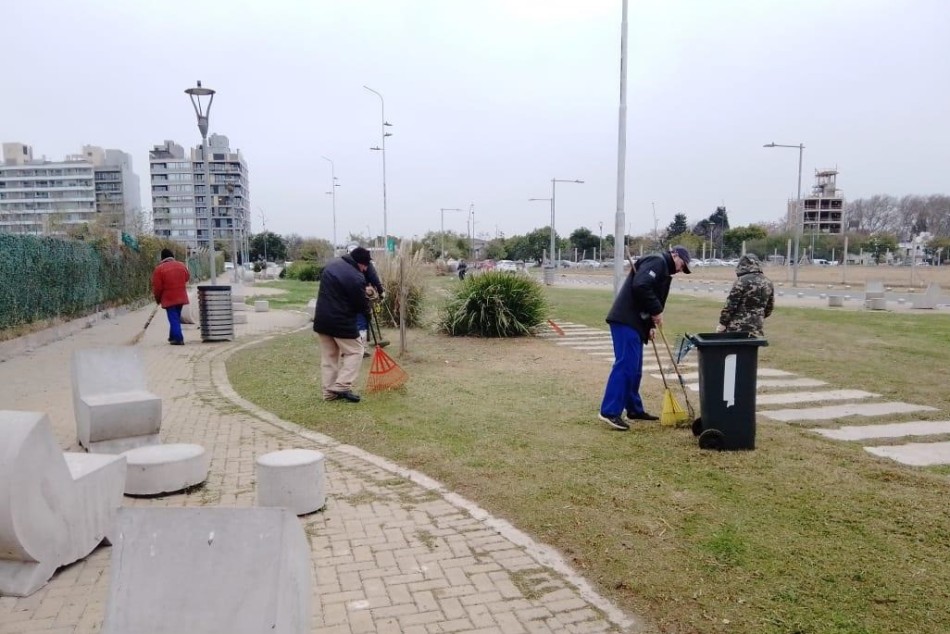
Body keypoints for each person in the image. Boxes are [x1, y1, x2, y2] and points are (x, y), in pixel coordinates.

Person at [598, 245, 692, 431]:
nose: (681, 269)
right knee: (626, 366)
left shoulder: (663, 269)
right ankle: (609, 411)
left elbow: (647, 295)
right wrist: (656, 311)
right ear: (674, 255)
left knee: (635, 369)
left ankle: (634, 409)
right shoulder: (658, 261)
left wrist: (649, 325)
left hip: (637, 323)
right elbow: (641, 285)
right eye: (682, 264)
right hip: (626, 320)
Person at [313, 246, 373, 403]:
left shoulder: (331, 266)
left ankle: (329, 393)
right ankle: (342, 385)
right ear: (360, 263)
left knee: (329, 357)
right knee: (356, 351)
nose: (366, 269)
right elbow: (359, 303)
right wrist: (368, 313)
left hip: (322, 319)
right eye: (365, 266)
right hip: (340, 321)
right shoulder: (355, 276)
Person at [717, 254, 774, 336]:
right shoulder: (768, 282)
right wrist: (758, 317)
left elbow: (730, 306)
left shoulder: (741, 281)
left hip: (737, 328)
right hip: (756, 328)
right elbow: (769, 307)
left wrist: (723, 323)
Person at [151, 248, 190, 346]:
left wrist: (158, 299)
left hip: (169, 298)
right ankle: (172, 337)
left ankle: (178, 338)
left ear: (162, 258)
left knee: (173, 318)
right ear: (172, 256)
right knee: (175, 317)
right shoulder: (181, 265)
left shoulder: (159, 269)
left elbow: (157, 287)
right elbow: (187, 278)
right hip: (181, 296)